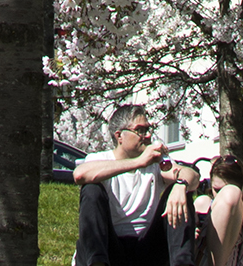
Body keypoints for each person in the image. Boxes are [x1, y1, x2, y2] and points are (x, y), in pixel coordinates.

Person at [74, 108, 179, 266]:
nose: (148, 135)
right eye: (140, 130)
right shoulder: (100, 159)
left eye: (148, 129)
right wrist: (139, 162)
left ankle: (183, 262)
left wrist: (180, 186)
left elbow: (192, 177)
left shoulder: (155, 164)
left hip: (146, 247)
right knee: (91, 189)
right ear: (119, 136)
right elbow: (80, 175)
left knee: (178, 192)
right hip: (110, 246)